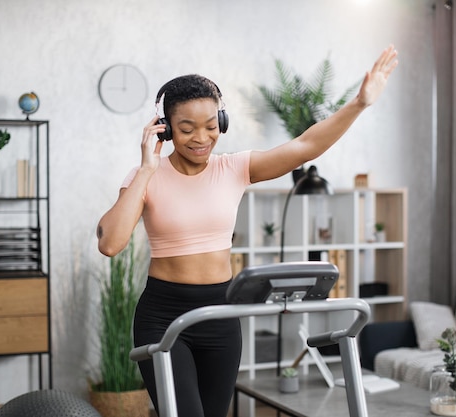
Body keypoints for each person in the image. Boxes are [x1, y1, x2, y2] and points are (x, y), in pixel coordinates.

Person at [97, 45, 398, 417]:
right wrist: (146, 168)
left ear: (221, 122)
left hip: (221, 314)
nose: (202, 138)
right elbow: (111, 244)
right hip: (164, 316)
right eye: (187, 129)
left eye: (211, 127)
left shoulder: (233, 168)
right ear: (166, 129)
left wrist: (359, 103)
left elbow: (305, 146)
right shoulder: (147, 176)